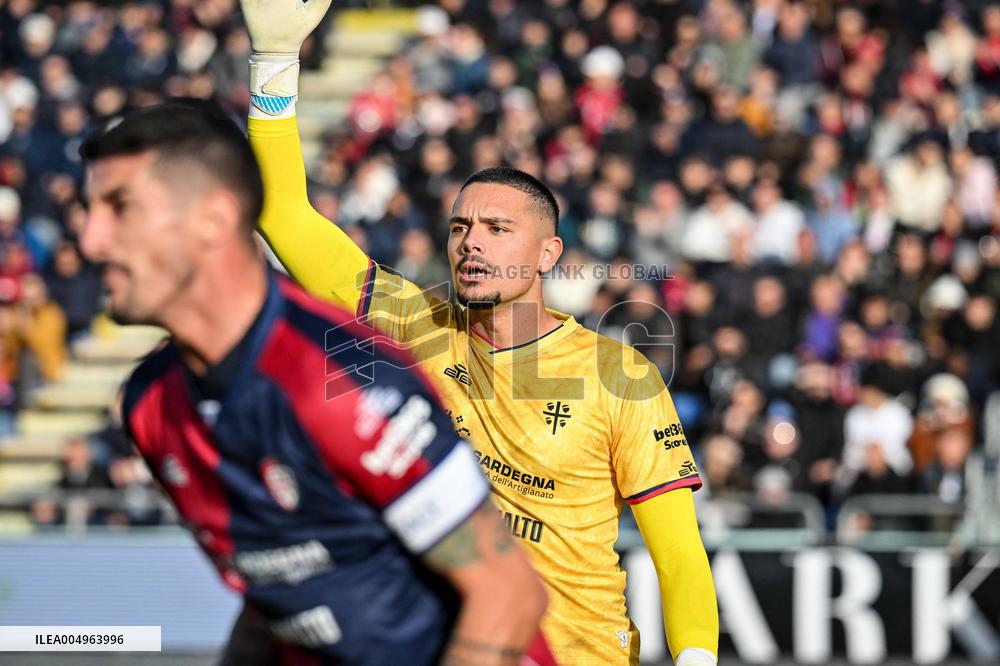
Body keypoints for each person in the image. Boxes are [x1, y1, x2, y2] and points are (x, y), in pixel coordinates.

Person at [239, 1, 719, 664]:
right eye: (461, 228)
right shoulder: (413, 320)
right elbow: (282, 216)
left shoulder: (619, 375)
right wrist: (273, 62)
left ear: (548, 253)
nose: (472, 243)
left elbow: (680, 556)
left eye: (498, 229)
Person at [78, 100, 551, 666]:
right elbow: (277, 600)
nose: (91, 240)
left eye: (120, 208)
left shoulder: (341, 379)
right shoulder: (150, 404)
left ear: (213, 220)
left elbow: (507, 595)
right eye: (89, 211)